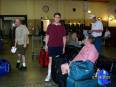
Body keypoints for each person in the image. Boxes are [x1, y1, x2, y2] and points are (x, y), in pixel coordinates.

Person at [45, 13, 66, 81]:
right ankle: (49, 75)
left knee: (59, 61)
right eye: (56, 17)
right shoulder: (50, 26)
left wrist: (64, 47)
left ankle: (58, 75)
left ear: (60, 18)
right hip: (51, 46)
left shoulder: (62, 27)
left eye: (58, 17)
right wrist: (46, 45)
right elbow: (47, 36)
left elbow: (64, 38)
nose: (57, 18)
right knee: (51, 61)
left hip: (59, 46)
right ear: (53, 18)